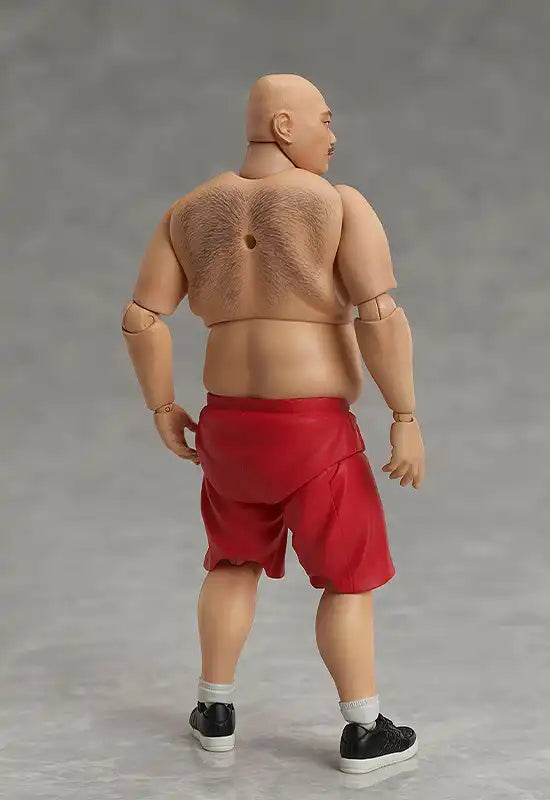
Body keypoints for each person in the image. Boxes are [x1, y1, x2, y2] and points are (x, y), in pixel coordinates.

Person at [121, 73, 425, 775]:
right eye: (324, 119)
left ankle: (214, 711)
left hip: (228, 428)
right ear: (284, 125)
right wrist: (405, 415)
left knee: (231, 562)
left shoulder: (189, 210)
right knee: (346, 580)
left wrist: (163, 406)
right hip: (314, 432)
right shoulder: (338, 204)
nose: (333, 135)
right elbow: (379, 316)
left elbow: (141, 318)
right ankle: (364, 730)